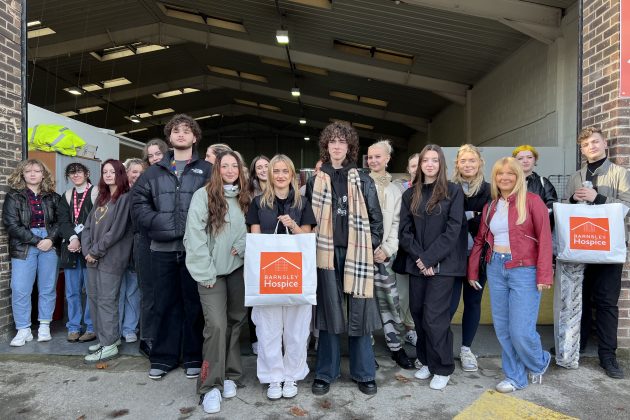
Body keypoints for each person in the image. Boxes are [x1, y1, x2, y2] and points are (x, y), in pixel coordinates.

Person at [306, 122, 383, 396]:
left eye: (342, 141)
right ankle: (326, 372)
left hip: (356, 255)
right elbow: (309, 220)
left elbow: (376, 221)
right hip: (325, 254)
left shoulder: (362, 178)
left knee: (359, 313)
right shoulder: (316, 179)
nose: (337, 146)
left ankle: (364, 373)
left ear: (350, 147)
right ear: (326, 146)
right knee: (328, 312)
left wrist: (366, 247)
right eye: (332, 141)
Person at [132, 114, 212, 379]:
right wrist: (162, 223)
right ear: (169, 137)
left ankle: (192, 356)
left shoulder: (207, 170)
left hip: (195, 251)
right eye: (175, 130)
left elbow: (218, 205)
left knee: (193, 305)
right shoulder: (153, 172)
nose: (180, 134)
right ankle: (164, 357)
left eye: (186, 130)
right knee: (164, 304)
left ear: (195, 137)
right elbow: (138, 206)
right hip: (161, 249)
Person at [468, 157, 552, 393]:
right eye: (499, 174)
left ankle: (539, 361)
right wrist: (473, 269)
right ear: (494, 178)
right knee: (503, 328)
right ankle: (515, 376)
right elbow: (480, 240)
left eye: (510, 173)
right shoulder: (491, 207)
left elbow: (546, 239)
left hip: (524, 270)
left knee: (521, 330)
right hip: (496, 267)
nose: (504, 177)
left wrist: (544, 274)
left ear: (518, 176)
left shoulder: (533, 202)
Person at [246, 154, 317, 400]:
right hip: (268, 275)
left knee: (297, 331)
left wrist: (293, 226)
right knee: (268, 329)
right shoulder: (258, 203)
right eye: (275, 171)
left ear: (292, 174)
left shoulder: (302, 202)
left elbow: (307, 239)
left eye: (284, 171)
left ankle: (292, 375)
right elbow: (255, 240)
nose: (279, 175)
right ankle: (272, 376)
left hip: (296, 274)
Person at [184, 151, 249, 414]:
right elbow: (194, 235)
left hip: (239, 270)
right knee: (217, 325)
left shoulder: (246, 198)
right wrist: (205, 272)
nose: (231, 170)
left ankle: (231, 374)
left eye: (235, 165)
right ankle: (209, 385)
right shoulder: (204, 196)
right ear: (217, 169)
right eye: (225, 166)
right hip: (211, 273)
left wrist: (243, 245)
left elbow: (255, 228)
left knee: (236, 321)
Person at [563, 126, 630, 378]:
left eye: (595, 142)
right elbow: (566, 211)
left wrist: (597, 197)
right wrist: (571, 201)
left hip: (609, 249)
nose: (591, 147)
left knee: (606, 303)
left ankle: (608, 356)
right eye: (586, 144)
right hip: (580, 246)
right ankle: (575, 348)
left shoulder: (620, 174)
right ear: (581, 150)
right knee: (578, 299)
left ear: (605, 145)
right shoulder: (575, 176)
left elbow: (627, 206)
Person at [397, 144, 465, 390]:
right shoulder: (410, 194)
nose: (430, 164)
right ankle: (426, 361)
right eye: (426, 160)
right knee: (418, 314)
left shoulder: (453, 192)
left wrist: (430, 259)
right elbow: (404, 231)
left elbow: (453, 230)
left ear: (441, 164)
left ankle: (443, 367)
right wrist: (420, 258)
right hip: (418, 265)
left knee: (435, 318)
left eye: (435, 160)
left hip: (443, 267)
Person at [3, 159, 60, 347]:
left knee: (47, 287)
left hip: (49, 243)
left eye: (37, 170)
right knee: (20, 288)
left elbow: (60, 222)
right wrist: (37, 241)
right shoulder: (14, 197)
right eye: (29, 171)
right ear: (22, 174)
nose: (33, 174)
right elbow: (11, 225)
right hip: (24, 245)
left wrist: (50, 239)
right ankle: (23, 329)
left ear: (43, 174)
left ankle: (44, 326)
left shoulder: (53, 197)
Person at [367, 140, 413, 370]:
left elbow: (397, 223)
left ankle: (396, 347)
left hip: (385, 256)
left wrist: (386, 249)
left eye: (378, 156)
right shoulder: (359, 185)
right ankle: (366, 349)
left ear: (387, 159)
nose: (373, 160)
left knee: (390, 302)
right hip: (361, 255)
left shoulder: (396, 190)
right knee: (363, 304)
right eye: (370, 157)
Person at [81, 159, 133, 363]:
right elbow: (86, 227)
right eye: (105, 172)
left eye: (112, 171)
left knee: (107, 301)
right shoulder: (101, 198)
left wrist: (95, 251)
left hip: (111, 259)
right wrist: (87, 250)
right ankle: (106, 339)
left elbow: (116, 232)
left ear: (120, 174)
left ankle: (110, 344)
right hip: (92, 258)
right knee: (94, 298)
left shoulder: (125, 198)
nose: (108, 175)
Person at [449, 144, 491, 372]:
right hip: (452, 257)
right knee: (448, 304)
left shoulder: (489, 190)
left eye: (472, 161)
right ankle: (441, 348)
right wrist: (472, 216)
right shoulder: (447, 188)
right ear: (457, 163)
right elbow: (446, 222)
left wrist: (465, 219)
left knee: (473, 303)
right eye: (463, 161)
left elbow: (488, 223)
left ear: (479, 163)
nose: (467, 164)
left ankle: (466, 349)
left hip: (478, 256)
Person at [57, 163, 98, 343]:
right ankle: (73, 327)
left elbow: (97, 220)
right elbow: (63, 221)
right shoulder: (66, 196)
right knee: (72, 292)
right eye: (71, 173)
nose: (75, 175)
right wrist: (73, 238)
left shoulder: (97, 193)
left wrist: (80, 239)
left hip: (90, 249)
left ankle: (91, 327)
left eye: (79, 172)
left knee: (91, 291)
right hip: (71, 250)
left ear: (87, 173)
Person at [137, 138, 169, 356]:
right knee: (149, 293)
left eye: (159, 153)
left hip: (171, 244)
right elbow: (139, 212)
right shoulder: (144, 180)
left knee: (167, 294)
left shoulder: (174, 178)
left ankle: (167, 337)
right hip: (148, 242)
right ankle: (147, 338)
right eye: (151, 155)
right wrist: (164, 223)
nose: (156, 158)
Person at [393, 153, 420, 348]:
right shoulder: (400, 190)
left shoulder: (440, 190)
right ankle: (405, 330)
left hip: (428, 252)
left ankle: (415, 329)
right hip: (404, 249)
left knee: (422, 296)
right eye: (413, 166)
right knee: (403, 295)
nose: (417, 169)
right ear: (408, 169)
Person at [117, 158, 145, 343]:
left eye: (140, 172)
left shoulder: (146, 193)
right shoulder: (117, 193)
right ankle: (115, 329)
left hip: (136, 250)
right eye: (133, 171)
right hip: (117, 250)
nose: (136, 175)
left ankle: (129, 328)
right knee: (117, 292)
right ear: (126, 173)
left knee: (133, 291)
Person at [246, 154, 270, 355]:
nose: (263, 170)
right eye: (259, 167)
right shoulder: (248, 193)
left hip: (275, 249)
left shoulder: (281, 189)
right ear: (254, 171)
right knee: (256, 295)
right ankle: (255, 338)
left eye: (266, 166)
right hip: (254, 248)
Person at [512, 145, 558, 227]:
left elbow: (552, 206)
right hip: (513, 229)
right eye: (520, 158)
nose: (525, 161)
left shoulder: (544, 182)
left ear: (535, 160)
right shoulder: (509, 182)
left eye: (529, 157)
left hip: (536, 229)